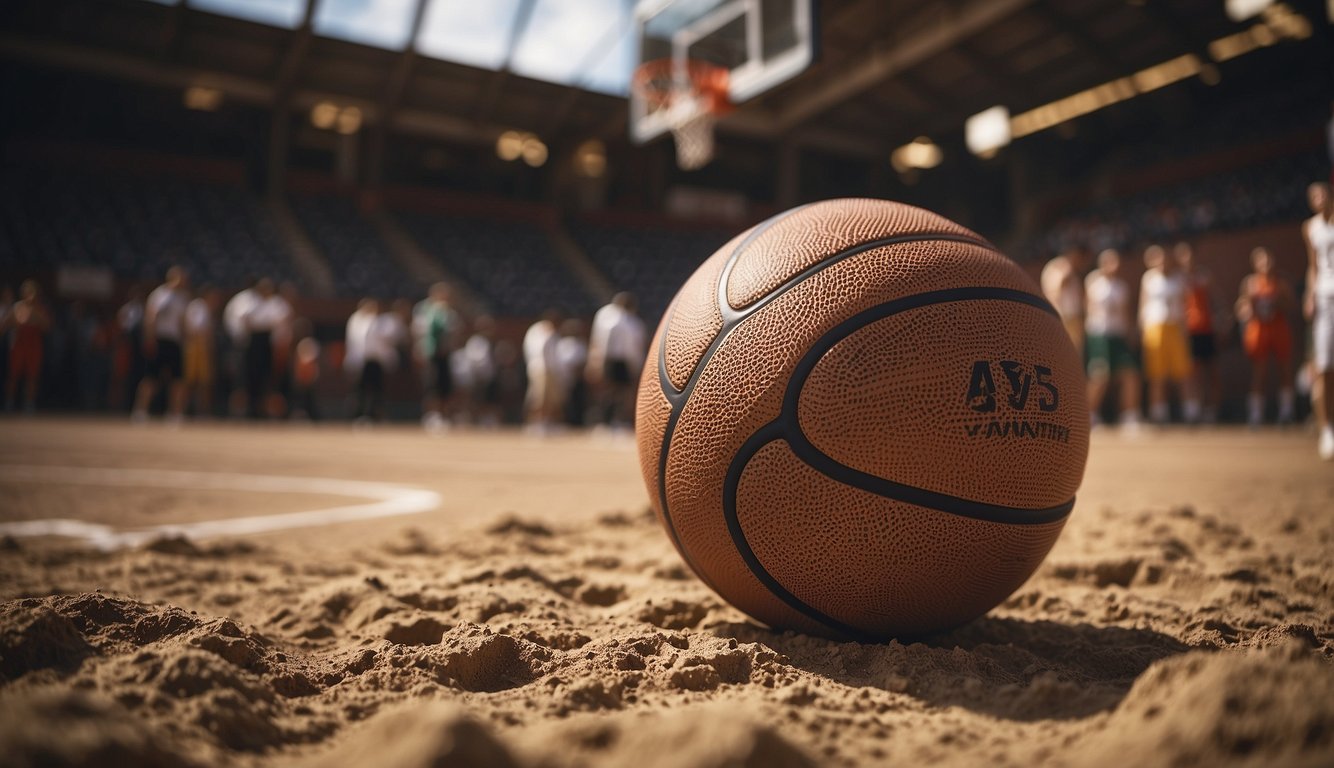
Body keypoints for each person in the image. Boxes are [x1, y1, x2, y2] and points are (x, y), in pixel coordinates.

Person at [1237, 247, 1296, 427]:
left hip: (1277, 328)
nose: (1266, 264)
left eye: (1269, 260)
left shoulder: (1280, 283)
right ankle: (1256, 414)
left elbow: (1290, 305)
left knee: (1284, 369)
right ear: (1255, 264)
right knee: (1259, 371)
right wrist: (1245, 309)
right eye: (1262, 261)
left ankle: (1286, 412)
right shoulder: (1250, 283)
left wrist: (1278, 302)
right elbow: (1241, 306)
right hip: (1259, 330)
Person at [1139, 244, 1198, 424]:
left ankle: (1191, 412)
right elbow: (1143, 306)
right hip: (1154, 328)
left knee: (1183, 372)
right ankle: (1158, 413)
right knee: (1157, 374)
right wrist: (1141, 330)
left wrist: (1185, 331)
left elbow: (1185, 306)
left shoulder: (1179, 279)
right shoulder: (1148, 279)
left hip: (1175, 327)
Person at [1084, 250, 1141, 431]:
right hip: (1100, 335)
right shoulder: (1093, 282)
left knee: (1130, 374)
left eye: (1116, 262)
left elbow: (1126, 313)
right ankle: (1090, 415)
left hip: (1119, 335)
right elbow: (1088, 308)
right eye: (1110, 262)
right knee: (1099, 375)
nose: (1114, 266)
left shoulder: (1121, 287)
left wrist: (1131, 334)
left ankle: (1129, 416)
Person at [132, 267, 190, 423]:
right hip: (159, 339)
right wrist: (150, 339)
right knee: (150, 377)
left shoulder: (182, 298)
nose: (183, 281)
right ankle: (140, 411)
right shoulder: (160, 295)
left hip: (174, 341)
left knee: (178, 380)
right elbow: (151, 317)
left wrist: (184, 341)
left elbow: (182, 322)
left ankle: (175, 414)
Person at [1303, 182, 1334, 458]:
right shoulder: (1310, 227)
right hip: (1325, 300)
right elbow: (1312, 266)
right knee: (1324, 367)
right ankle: (1327, 430)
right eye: (1314, 196)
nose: (1320, 198)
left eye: (1323, 192)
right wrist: (1309, 295)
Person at [586, 292, 647, 430]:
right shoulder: (624, 321)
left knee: (614, 392)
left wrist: (597, 360)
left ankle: (611, 420)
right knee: (617, 393)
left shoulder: (609, 318)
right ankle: (611, 420)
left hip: (614, 360)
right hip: (617, 360)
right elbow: (633, 347)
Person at [1177, 242, 1221, 423]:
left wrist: (1220, 319)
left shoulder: (1205, 276)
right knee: (1191, 372)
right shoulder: (1178, 280)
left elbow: (1216, 299)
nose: (1187, 259)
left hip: (1207, 329)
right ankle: (1194, 409)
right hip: (1188, 331)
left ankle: (1212, 410)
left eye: (1190, 255)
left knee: (1211, 370)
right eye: (1183, 256)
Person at [413, 282, 462, 431]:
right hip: (431, 354)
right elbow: (419, 332)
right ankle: (432, 415)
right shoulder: (424, 310)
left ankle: (443, 415)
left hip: (445, 354)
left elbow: (455, 333)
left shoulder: (449, 313)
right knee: (432, 385)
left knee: (445, 386)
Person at [242, 278, 292, 419]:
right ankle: (253, 409)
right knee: (253, 376)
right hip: (254, 342)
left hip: (268, 343)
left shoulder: (276, 303)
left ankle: (269, 410)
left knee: (269, 377)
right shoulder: (251, 303)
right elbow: (245, 320)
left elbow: (282, 321)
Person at [3, 280, 50, 413]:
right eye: (28, 292)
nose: (30, 295)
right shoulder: (17, 307)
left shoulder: (40, 309)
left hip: (34, 345)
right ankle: (9, 402)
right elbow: (5, 324)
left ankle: (29, 403)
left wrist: (37, 316)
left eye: (33, 293)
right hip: (19, 344)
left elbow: (47, 326)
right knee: (13, 375)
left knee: (32, 376)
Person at [356, 300, 405, 423]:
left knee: (376, 390)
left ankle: (374, 414)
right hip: (364, 361)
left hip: (376, 361)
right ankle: (363, 414)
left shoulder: (381, 322)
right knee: (363, 390)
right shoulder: (359, 321)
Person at [1041, 247, 1090, 356]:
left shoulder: (1073, 274)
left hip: (1071, 316)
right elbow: (1056, 289)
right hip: (1064, 315)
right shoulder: (1061, 268)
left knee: (1075, 351)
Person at [183, 284, 221, 418]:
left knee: (204, 381)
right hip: (195, 346)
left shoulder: (205, 308)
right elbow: (193, 329)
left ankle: (201, 411)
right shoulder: (197, 306)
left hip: (203, 347)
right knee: (190, 380)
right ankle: (183, 409)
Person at [222, 277, 259, 418]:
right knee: (240, 379)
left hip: (247, 343)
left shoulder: (247, 299)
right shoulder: (246, 299)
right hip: (242, 343)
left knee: (249, 379)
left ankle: (248, 410)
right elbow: (245, 319)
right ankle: (237, 411)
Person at [523, 308, 563, 433]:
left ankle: (546, 421)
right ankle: (536, 422)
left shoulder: (552, 332)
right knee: (539, 397)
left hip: (549, 369)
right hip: (541, 368)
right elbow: (540, 350)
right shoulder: (540, 331)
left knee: (550, 398)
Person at [459, 315, 499, 427]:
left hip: (488, 376)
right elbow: (474, 359)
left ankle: (485, 418)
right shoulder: (475, 341)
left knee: (488, 398)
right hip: (477, 376)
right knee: (475, 399)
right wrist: (477, 374)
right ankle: (472, 418)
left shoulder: (488, 341)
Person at [556, 317, 589, 428]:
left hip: (575, 379)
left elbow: (581, 363)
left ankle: (576, 423)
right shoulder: (562, 344)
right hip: (564, 378)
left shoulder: (579, 344)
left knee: (577, 402)